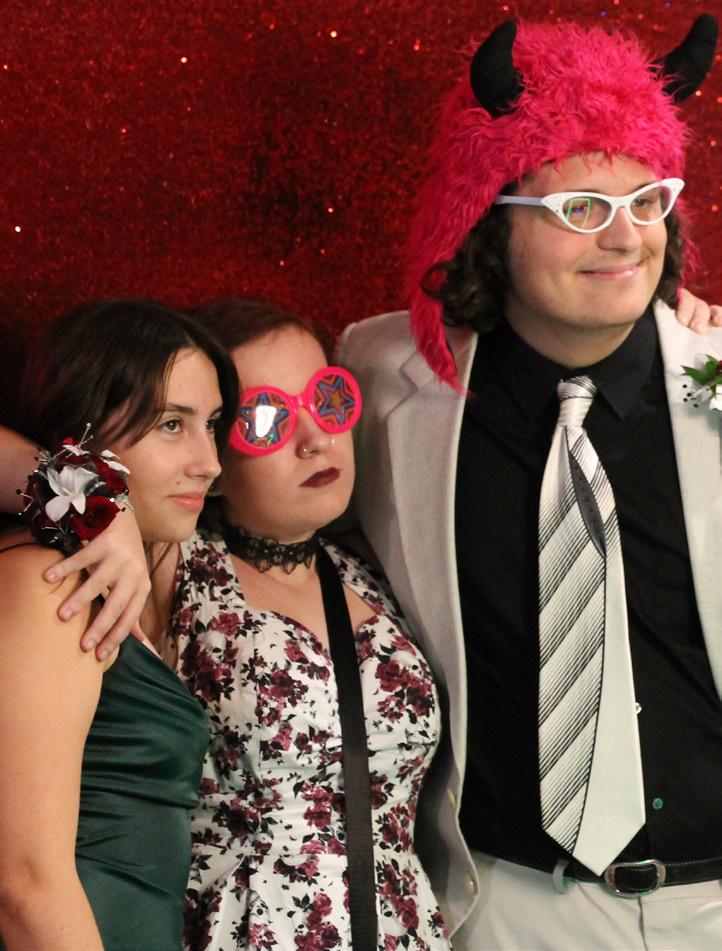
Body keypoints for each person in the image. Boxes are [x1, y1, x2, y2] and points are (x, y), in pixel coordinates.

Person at [337, 15, 722, 951]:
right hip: (510, 904)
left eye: (646, 201)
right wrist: (93, 520)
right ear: (485, 221)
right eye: (579, 209)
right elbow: (212, 470)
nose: (625, 239)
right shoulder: (380, 382)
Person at [149, 298, 450, 950]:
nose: (314, 438)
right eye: (265, 418)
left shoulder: (374, 571)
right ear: (209, 452)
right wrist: (103, 514)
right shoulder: (171, 567)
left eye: (329, 399)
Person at [0, 298, 238, 951]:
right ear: (82, 434)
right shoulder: (48, 582)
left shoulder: (94, 579)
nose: (209, 461)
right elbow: (26, 884)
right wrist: (87, 493)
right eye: (171, 424)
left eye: (212, 424)